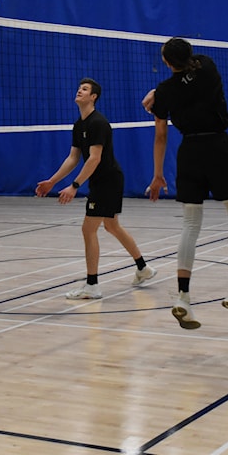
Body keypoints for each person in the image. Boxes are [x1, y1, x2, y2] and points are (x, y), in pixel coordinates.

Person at [144, 37, 228, 329]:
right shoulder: (208, 67)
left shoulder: (164, 93)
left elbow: (161, 135)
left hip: (189, 153)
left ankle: (182, 297)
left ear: (167, 63)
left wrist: (157, 175)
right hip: (219, 148)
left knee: (191, 225)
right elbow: (188, 75)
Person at [35, 78, 157, 299]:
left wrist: (74, 186)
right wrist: (52, 181)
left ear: (94, 97)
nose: (79, 91)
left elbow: (94, 159)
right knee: (111, 226)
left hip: (107, 180)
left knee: (88, 229)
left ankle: (92, 285)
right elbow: (73, 158)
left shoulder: (97, 123)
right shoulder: (79, 124)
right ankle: (143, 268)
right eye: (79, 88)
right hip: (103, 181)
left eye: (85, 89)